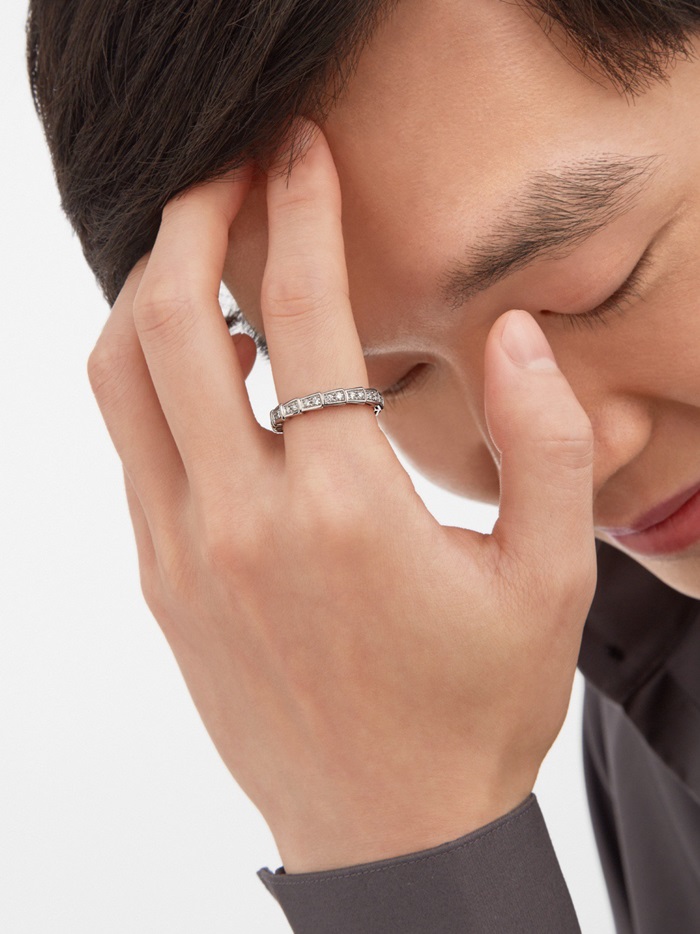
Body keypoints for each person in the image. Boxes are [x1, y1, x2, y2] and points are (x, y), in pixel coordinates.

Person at [26, 0, 700, 930]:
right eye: (397, 380)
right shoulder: (651, 685)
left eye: (602, 288)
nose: (568, 450)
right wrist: (408, 832)